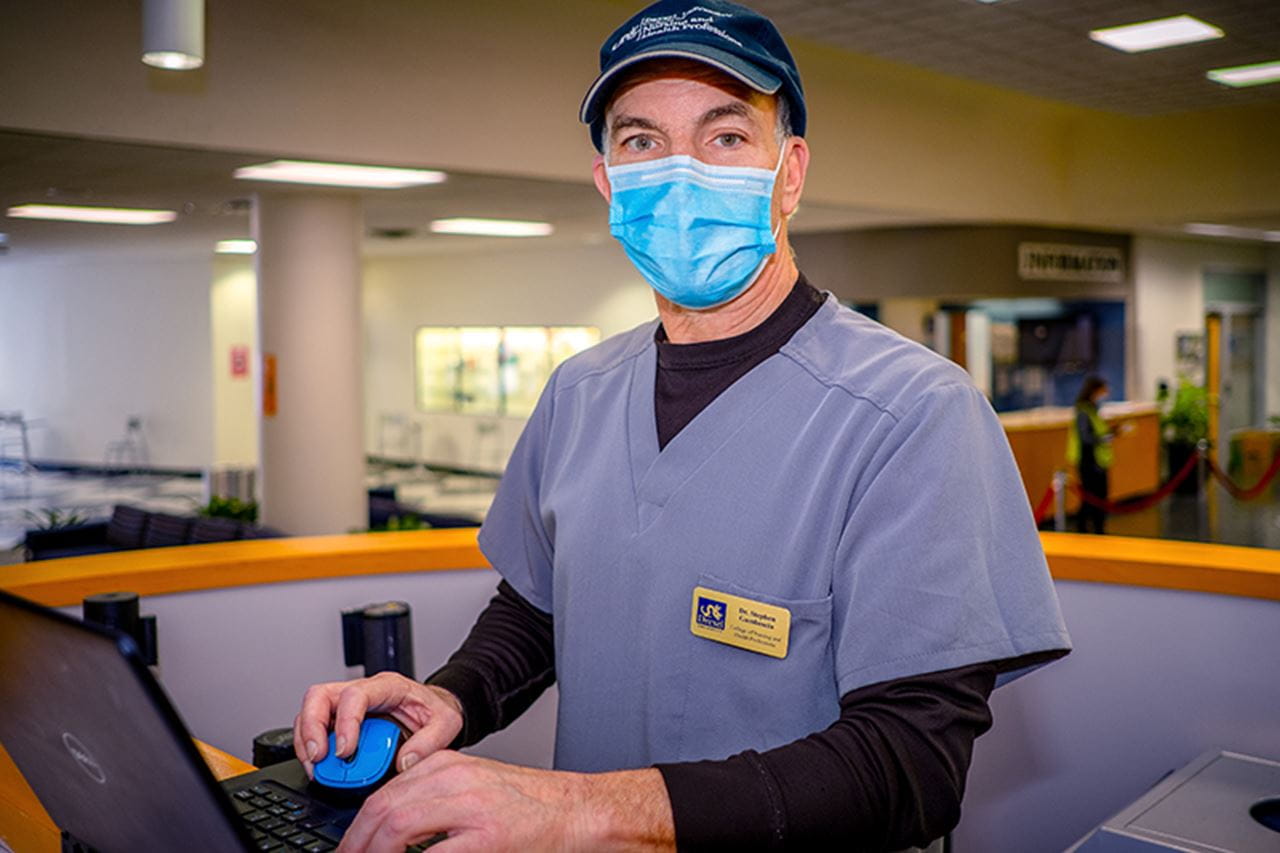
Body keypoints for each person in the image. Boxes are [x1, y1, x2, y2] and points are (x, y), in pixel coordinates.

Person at [294, 2, 1071, 849]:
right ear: (607, 182)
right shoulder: (580, 391)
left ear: (791, 173)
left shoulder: (913, 414)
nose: (680, 172)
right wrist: (449, 697)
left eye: (726, 137)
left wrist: (577, 811)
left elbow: (910, 764)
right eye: (640, 141)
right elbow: (544, 606)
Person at [1067, 374, 1115, 534]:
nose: (1106, 394)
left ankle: (1097, 528)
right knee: (1091, 497)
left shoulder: (1094, 411)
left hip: (1099, 459)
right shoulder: (1084, 411)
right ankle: (1085, 528)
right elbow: (1086, 437)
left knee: (1100, 497)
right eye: (1103, 390)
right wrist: (1104, 438)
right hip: (1089, 461)